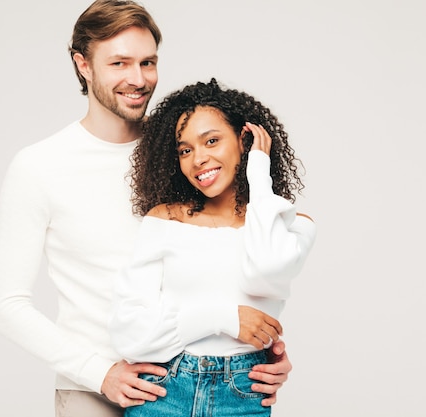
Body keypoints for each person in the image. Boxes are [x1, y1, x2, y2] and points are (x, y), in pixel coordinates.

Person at [0, 2, 293, 416]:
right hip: (91, 390)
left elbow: (240, 255)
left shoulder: (186, 153)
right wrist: (100, 373)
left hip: (193, 382)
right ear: (83, 65)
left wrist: (262, 353)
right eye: (119, 63)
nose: (138, 79)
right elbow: (8, 305)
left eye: (147, 62)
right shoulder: (40, 166)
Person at [109, 78, 317, 416]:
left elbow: (266, 270)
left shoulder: (292, 225)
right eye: (185, 150)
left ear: (243, 141)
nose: (198, 159)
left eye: (212, 141)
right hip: (164, 389)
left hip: (242, 392)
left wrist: (259, 173)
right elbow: (130, 335)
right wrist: (221, 317)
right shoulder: (164, 221)